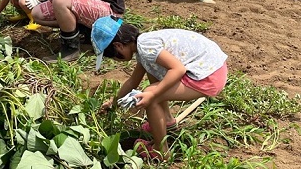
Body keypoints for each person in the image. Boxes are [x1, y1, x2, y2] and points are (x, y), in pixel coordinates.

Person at [93, 17, 228, 161]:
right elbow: (133, 81)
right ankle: (167, 121)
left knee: (150, 95)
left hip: (208, 75)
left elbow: (178, 69)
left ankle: (160, 151)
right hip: (212, 67)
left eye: (113, 56)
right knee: (152, 70)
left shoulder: (145, 47)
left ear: (118, 46)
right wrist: (114, 102)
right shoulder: (143, 44)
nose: (116, 60)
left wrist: (153, 94)